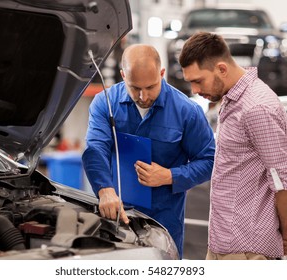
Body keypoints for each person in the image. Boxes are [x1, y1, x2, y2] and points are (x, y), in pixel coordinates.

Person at [82, 44, 215, 258]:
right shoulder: (105, 103)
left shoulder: (187, 112)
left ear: (162, 74)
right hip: (115, 215)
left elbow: (209, 160)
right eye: (135, 87)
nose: (143, 96)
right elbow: (95, 148)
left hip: (164, 222)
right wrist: (104, 189)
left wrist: (169, 176)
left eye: (151, 87)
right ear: (123, 75)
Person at [179, 32, 287, 260]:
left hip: (246, 253)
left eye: (198, 81)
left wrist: (285, 235)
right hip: (224, 247)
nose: (194, 90)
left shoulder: (256, 108)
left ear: (222, 69)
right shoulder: (232, 98)